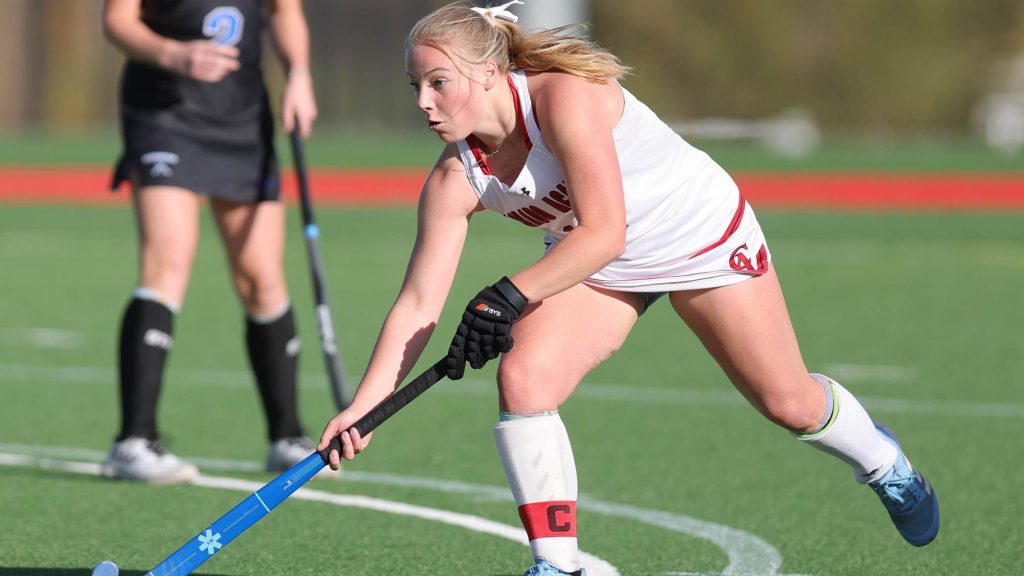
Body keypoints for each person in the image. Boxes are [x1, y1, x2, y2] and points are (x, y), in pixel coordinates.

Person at [318, 1, 940, 573]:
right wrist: (364, 409)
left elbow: (605, 232)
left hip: (694, 236)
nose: (423, 102)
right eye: (415, 87)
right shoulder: (458, 176)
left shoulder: (563, 99)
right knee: (526, 377)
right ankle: (557, 564)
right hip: (600, 264)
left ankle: (886, 464)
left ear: (486, 71)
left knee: (789, 403)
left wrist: (508, 295)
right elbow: (418, 303)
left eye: (437, 82)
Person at [100, 0, 321, 484]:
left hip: (241, 114)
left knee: (261, 276)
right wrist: (173, 54)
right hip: (165, 111)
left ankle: (286, 436)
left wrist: (299, 75)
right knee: (167, 265)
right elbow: (117, 20)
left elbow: (284, 12)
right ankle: (132, 442)